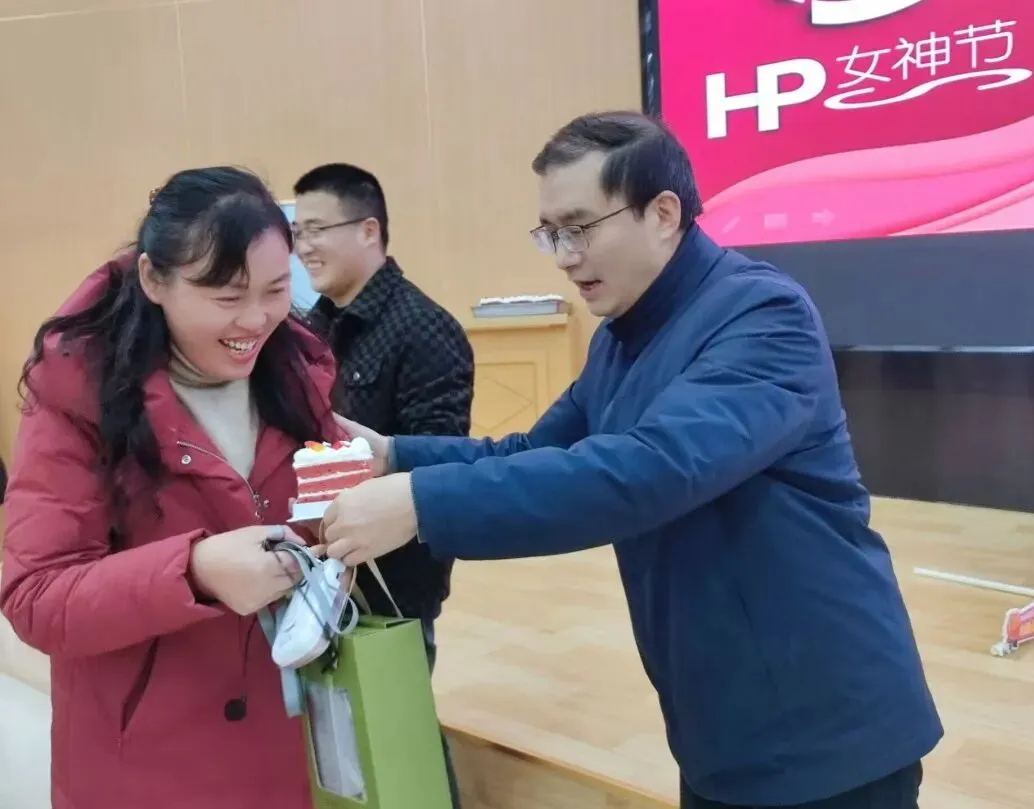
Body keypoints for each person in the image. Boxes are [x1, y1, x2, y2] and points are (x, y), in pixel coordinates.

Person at [318, 112, 944, 809]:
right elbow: (538, 451)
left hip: (827, 725)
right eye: (550, 233)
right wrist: (393, 455)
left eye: (579, 228)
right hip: (718, 718)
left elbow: (648, 469)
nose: (563, 256)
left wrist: (419, 504)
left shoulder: (763, 315)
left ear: (663, 213)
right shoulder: (621, 337)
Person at [0, 167, 341, 809]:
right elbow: (35, 595)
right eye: (226, 296)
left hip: (289, 746)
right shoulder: (79, 391)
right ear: (154, 279)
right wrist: (193, 571)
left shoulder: (297, 371)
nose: (256, 319)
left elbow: (317, 520)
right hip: (147, 765)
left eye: (276, 290)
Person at [291, 163, 473, 805]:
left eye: (318, 229)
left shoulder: (425, 328)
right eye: (297, 232)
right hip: (317, 563)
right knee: (338, 739)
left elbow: (439, 465)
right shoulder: (308, 329)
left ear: (369, 230)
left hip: (392, 578)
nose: (304, 246)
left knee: (400, 730)